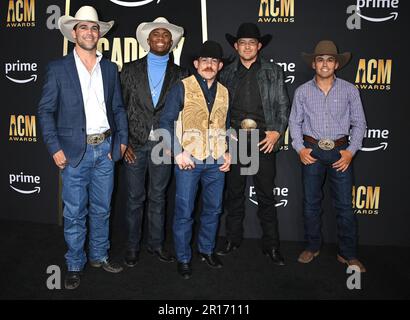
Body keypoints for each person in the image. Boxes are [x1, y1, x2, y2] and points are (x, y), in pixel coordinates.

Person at [37, 6, 128, 290]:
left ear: (98, 33)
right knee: (75, 212)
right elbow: (45, 111)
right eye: (83, 28)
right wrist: (54, 147)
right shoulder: (58, 68)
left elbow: (118, 108)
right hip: (74, 152)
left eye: (94, 28)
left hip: (106, 150)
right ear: (74, 33)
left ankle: (99, 255)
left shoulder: (110, 68)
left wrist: (122, 140)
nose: (89, 32)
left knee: (102, 209)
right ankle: (75, 263)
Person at [289, 40, 367, 272]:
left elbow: (360, 123)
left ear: (336, 64)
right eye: (320, 59)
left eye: (329, 59)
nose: (325, 64)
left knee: (344, 206)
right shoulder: (302, 91)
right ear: (314, 64)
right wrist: (300, 148)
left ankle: (348, 254)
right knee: (311, 204)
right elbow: (294, 121)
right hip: (311, 151)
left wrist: (351, 152)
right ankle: (312, 246)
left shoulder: (350, 90)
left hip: (340, 153)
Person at [216, 23, 290, 266]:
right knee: (234, 194)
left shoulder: (273, 71)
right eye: (242, 43)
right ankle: (232, 239)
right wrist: (226, 134)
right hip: (236, 139)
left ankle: (271, 246)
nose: (247, 47)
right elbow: (219, 108)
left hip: (262, 141)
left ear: (259, 46)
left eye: (252, 43)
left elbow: (282, 105)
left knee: (266, 196)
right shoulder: (226, 72)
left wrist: (276, 132)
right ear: (236, 46)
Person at [160, 41, 231, 279]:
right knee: (184, 211)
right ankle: (183, 257)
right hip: (188, 160)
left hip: (216, 162)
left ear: (220, 66)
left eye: (214, 61)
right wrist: (178, 151)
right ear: (196, 64)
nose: (209, 65)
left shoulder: (225, 91)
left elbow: (226, 125)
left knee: (213, 209)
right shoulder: (182, 87)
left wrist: (228, 150)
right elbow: (165, 122)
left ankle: (206, 250)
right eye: (205, 61)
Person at [120, 17, 187, 267]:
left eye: (166, 35)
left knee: (158, 198)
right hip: (134, 145)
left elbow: (184, 114)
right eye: (156, 34)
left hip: (164, 146)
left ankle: (156, 245)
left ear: (172, 42)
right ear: (148, 40)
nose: (161, 37)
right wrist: (123, 141)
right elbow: (119, 107)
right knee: (135, 198)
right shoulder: (129, 70)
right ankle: (132, 246)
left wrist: (176, 145)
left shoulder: (181, 74)